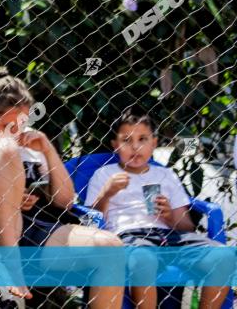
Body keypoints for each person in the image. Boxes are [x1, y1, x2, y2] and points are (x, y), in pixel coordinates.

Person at [0, 69, 124, 307]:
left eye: (21, 123)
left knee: (111, 247)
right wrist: (6, 197)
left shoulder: (30, 142)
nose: (16, 131)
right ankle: (11, 268)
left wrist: (47, 149)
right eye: (6, 124)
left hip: (30, 228)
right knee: (5, 149)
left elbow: (65, 202)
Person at [87, 111, 234, 309]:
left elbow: (186, 226)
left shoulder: (165, 175)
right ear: (115, 145)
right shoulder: (104, 174)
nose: (135, 147)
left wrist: (169, 216)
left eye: (143, 139)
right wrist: (107, 193)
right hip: (130, 236)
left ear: (154, 143)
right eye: (126, 140)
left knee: (223, 256)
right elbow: (91, 220)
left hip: (171, 236)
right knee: (143, 259)